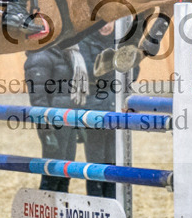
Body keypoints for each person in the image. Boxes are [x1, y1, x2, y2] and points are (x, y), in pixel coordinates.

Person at [26, 20, 138, 199]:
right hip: (61, 119)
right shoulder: (46, 56)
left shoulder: (69, 53)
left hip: (71, 117)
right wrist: (46, 130)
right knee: (56, 171)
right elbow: (39, 98)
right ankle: (49, 214)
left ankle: (61, 211)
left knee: (66, 172)